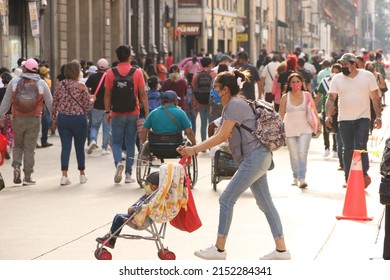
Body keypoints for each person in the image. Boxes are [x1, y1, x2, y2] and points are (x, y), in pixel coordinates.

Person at [178, 70, 290, 260]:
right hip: (258, 157)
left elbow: (221, 136)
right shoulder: (232, 106)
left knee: (226, 199)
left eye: (215, 88)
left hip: (254, 158)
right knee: (265, 203)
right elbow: (220, 132)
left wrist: (194, 150)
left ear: (225, 90)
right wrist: (192, 148)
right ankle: (281, 250)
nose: (213, 91)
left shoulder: (235, 105)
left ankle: (219, 249)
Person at [325, 53, 382, 188]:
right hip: (344, 119)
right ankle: (348, 178)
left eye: (346, 65)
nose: (343, 67)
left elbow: (375, 98)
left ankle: (363, 175)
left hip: (363, 117)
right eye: (342, 65)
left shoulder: (367, 76)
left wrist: (378, 116)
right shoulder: (337, 79)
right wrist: (328, 114)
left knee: (360, 146)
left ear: (353, 64)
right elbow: (331, 98)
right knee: (348, 149)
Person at [0, 58, 52, 186]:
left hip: (17, 118)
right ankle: (27, 176)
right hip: (34, 119)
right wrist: (55, 118)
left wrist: (1, 116)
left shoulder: (14, 82)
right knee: (30, 147)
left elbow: (6, 103)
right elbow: (50, 103)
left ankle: (16, 167)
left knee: (18, 145)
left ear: (24, 68)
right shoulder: (41, 83)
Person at [104, 44, 149, 184]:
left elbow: (107, 94)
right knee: (130, 143)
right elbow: (142, 94)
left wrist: (107, 111)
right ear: (130, 56)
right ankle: (129, 174)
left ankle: (118, 163)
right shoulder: (137, 72)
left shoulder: (111, 73)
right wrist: (147, 113)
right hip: (133, 112)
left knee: (116, 142)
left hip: (116, 112)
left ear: (117, 57)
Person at [51, 60, 95, 186]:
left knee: (65, 147)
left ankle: (64, 176)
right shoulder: (81, 86)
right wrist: (92, 99)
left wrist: (54, 121)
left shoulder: (60, 85)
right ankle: (82, 174)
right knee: (79, 148)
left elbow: (54, 104)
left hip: (63, 119)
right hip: (78, 119)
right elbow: (88, 106)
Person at [96, 171, 160, 249]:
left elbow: (145, 208)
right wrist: (132, 207)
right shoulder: (148, 195)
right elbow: (139, 203)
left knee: (119, 218)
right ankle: (109, 237)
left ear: (154, 187)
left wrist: (133, 209)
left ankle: (111, 240)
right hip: (137, 217)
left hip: (141, 221)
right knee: (118, 216)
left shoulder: (154, 199)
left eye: (147, 184)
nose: (144, 186)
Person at [279, 73, 320, 188]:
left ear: (302, 83)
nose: (296, 84)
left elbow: (313, 109)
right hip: (289, 129)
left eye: (298, 81)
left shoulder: (307, 95)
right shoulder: (284, 97)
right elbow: (281, 114)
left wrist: (318, 122)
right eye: (293, 82)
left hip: (305, 128)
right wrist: (279, 130)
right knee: (294, 155)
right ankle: (295, 176)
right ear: (289, 84)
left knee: (302, 154)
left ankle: (302, 178)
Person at [86, 58, 111, 156]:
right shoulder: (109, 77)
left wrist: (90, 95)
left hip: (96, 105)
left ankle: (92, 140)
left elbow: (86, 87)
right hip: (107, 106)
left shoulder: (93, 77)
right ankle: (104, 148)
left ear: (97, 66)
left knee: (95, 125)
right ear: (107, 67)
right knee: (107, 128)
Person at [315, 63, 342, 159]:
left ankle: (335, 149)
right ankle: (326, 148)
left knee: (336, 129)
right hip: (325, 109)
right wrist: (314, 108)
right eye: (333, 71)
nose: (334, 73)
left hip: (338, 109)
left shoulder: (342, 82)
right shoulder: (324, 82)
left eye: (337, 72)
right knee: (326, 130)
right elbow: (318, 96)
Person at [192, 57, 217, 142]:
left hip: (200, 102)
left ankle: (203, 143)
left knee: (203, 124)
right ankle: (210, 144)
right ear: (210, 64)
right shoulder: (214, 74)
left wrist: (195, 103)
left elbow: (193, 89)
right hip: (211, 104)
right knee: (211, 125)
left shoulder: (197, 74)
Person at [37, 66, 53, 148]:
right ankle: (44, 140)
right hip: (41, 105)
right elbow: (48, 96)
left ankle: (36, 142)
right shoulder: (46, 81)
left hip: (33, 105)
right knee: (45, 123)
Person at [0, 72, 13, 160]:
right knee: (9, 133)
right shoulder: (12, 91)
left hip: (1, 114)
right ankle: (7, 147)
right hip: (11, 114)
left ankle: (2, 148)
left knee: (1, 132)